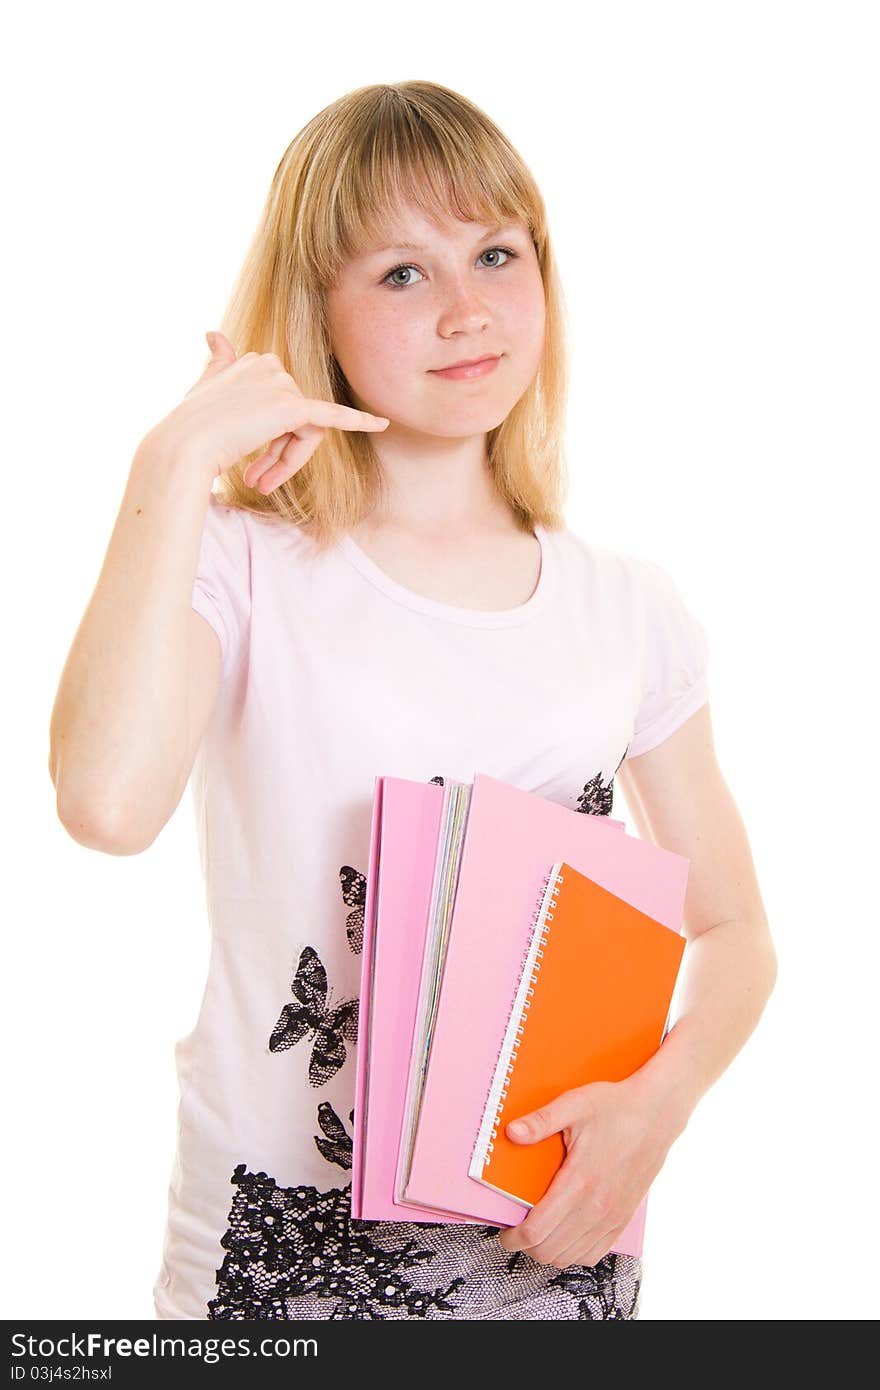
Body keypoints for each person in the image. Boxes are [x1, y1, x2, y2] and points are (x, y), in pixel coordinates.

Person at [48, 80, 778, 1322]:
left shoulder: (628, 605)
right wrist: (171, 460)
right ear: (315, 312)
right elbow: (107, 804)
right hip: (276, 1261)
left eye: (497, 253)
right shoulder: (240, 563)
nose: (466, 309)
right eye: (400, 273)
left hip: (555, 1236)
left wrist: (652, 1115)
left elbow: (734, 933)